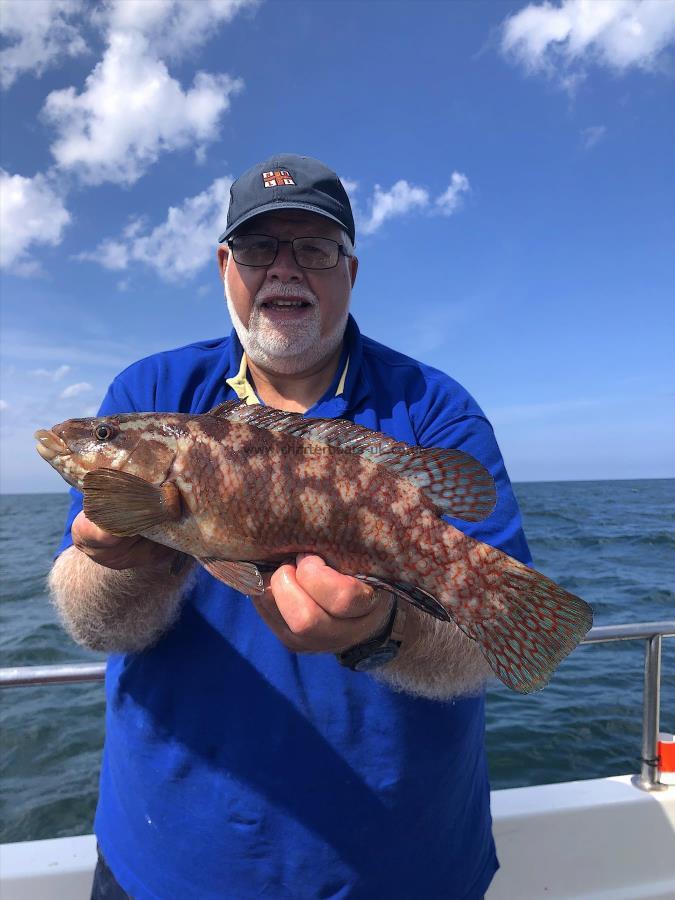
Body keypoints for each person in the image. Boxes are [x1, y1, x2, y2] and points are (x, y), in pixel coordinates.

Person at [49, 154, 532, 900]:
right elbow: (89, 621)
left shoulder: (436, 411)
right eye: (257, 248)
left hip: (400, 872)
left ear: (350, 270)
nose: (284, 270)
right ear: (223, 265)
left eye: (313, 249)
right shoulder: (150, 390)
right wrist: (124, 559)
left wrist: (384, 630)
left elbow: (486, 649)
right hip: (169, 866)